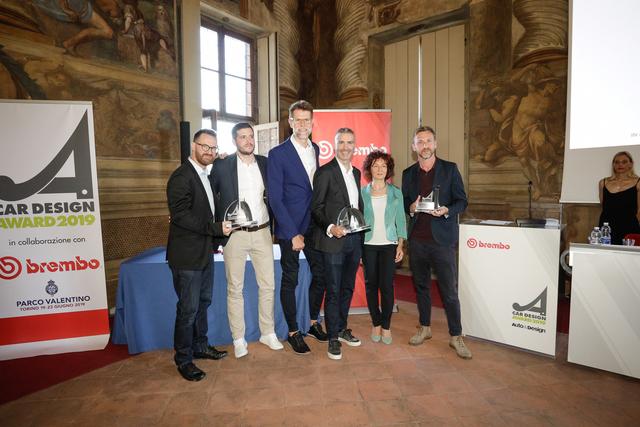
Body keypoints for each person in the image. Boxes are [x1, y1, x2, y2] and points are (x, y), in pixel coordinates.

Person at [210, 123, 283, 358]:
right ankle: (238, 339)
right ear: (234, 141)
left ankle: (267, 332)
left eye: (251, 136)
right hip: (235, 233)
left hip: (262, 232)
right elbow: (209, 196)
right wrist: (215, 227)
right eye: (243, 137)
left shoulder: (265, 163)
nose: (248, 140)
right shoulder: (222, 165)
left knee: (268, 285)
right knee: (235, 288)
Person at [166, 129, 232, 381]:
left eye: (213, 148)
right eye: (205, 146)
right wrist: (216, 229)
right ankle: (183, 359)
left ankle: (200, 346)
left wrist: (216, 238)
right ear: (194, 146)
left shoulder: (206, 174)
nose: (209, 152)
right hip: (186, 257)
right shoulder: (181, 177)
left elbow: (207, 210)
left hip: (204, 253)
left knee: (203, 303)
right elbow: (181, 216)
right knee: (188, 310)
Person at [402, 125, 472, 359]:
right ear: (414, 147)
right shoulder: (408, 174)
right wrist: (411, 207)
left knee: (449, 290)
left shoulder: (450, 169)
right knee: (421, 287)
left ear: (435, 144)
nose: (425, 145)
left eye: (428, 141)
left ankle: (456, 336)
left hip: (442, 241)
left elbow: (462, 201)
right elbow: (406, 203)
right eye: (420, 142)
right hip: (417, 241)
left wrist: (447, 210)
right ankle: (425, 327)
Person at [267, 100, 328, 354]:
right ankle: (293, 331)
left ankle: (313, 322)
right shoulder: (277, 154)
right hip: (290, 226)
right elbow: (275, 198)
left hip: (314, 224)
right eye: (298, 120)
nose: (302, 124)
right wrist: (292, 233)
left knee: (321, 273)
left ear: (312, 123)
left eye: (307, 120)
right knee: (290, 279)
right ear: (290, 122)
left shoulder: (316, 148)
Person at [311, 128, 364, 360]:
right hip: (332, 241)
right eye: (341, 142)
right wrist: (331, 227)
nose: (345, 147)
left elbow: (356, 206)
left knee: (347, 288)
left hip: (354, 240)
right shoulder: (325, 172)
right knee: (333, 290)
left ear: (354, 146)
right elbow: (316, 208)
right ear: (334, 145)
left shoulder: (356, 173)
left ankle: (342, 328)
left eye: (349, 142)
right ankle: (332, 337)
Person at [361, 150, 407, 345]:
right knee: (371, 286)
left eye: (383, 166)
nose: (379, 169)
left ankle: (386, 326)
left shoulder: (396, 192)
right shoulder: (362, 192)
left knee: (387, 287)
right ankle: (376, 323)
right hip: (368, 245)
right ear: (369, 169)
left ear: (388, 169)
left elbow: (401, 220)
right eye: (375, 165)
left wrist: (400, 244)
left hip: (389, 245)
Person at [598, 151, 640, 244]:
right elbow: (603, 205)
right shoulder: (603, 183)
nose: (620, 165)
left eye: (624, 162)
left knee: (628, 253)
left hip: (629, 227)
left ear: (631, 164)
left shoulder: (638, 182)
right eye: (617, 162)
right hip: (607, 227)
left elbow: (639, 211)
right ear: (613, 165)